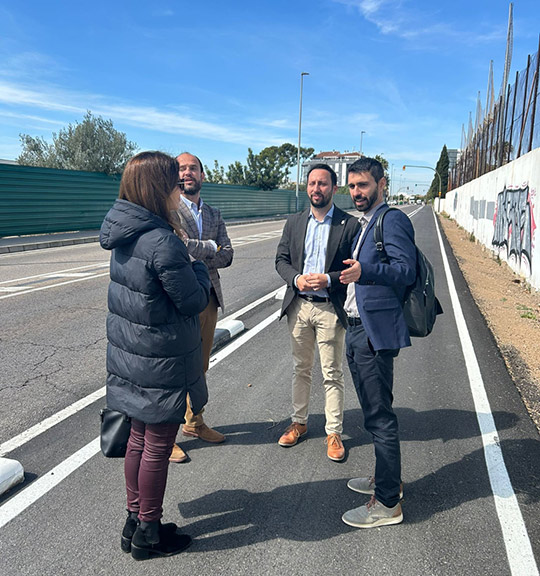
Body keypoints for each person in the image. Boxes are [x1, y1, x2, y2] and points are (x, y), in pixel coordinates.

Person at [100, 151, 211, 559]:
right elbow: (192, 300)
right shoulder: (162, 240)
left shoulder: (124, 233)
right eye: (173, 182)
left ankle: (134, 518)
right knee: (157, 446)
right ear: (158, 188)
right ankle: (149, 531)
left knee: (138, 440)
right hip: (161, 360)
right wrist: (195, 263)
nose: (178, 189)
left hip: (132, 356)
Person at [339, 157, 416, 528]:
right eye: (352, 186)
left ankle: (387, 503)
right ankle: (388, 480)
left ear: (381, 185)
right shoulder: (364, 225)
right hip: (356, 328)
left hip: (373, 334)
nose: (356, 192)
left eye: (363, 185)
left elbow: (406, 271)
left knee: (380, 418)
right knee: (375, 412)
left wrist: (365, 271)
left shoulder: (392, 219)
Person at [275, 164, 360, 461]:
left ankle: (333, 432)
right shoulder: (295, 222)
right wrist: (296, 279)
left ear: (333, 188)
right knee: (301, 368)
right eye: (311, 183)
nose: (316, 189)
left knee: (332, 372)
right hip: (299, 306)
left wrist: (329, 279)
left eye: (322, 184)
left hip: (329, 309)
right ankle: (299, 422)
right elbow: (281, 260)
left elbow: (354, 268)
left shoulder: (349, 225)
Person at [168, 152, 234, 464]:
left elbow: (228, 254)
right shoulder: (168, 210)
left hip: (208, 296)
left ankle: (194, 423)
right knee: (172, 368)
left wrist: (199, 251)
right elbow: (176, 251)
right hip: (178, 298)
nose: (187, 173)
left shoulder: (214, 213)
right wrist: (209, 248)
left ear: (202, 175)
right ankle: (165, 436)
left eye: (193, 167)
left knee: (200, 365)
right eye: (181, 168)